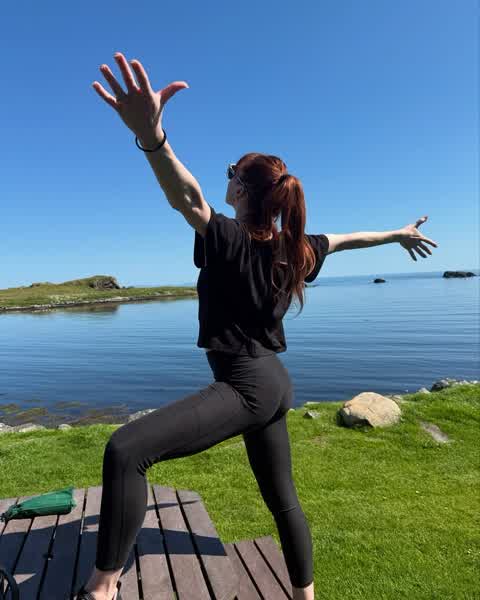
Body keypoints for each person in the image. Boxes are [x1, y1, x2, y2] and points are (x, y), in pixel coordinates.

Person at [77, 52, 438, 600]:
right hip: (273, 383)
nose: (225, 180)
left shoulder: (229, 238)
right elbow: (348, 239)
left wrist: (152, 137)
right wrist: (397, 234)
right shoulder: (299, 248)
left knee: (126, 450)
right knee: (283, 500)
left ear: (243, 191)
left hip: (247, 386)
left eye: (231, 173)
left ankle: (102, 588)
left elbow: (187, 197)